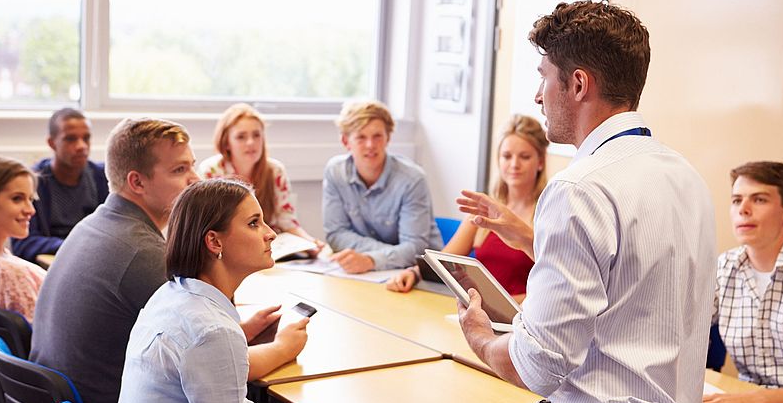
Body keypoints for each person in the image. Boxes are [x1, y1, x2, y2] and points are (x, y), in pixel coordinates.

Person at [369, 0, 716, 403]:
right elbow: (627, 277)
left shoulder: (579, 187)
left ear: (577, 85)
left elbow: (538, 365)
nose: (537, 94)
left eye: (543, 77)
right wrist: (533, 240)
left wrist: (484, 339)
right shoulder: (685, 178)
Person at [30, 118, 307, 403]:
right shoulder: (142, 254)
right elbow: (220, 371)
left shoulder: (95, 225)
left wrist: (240, 332)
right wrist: (282, 348)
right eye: (179, 170)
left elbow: (184, 346)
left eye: (191, 165)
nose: (195, 179)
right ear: (137, 182)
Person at [110, 178, 355, 403]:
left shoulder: (170, 296)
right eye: (254, 223)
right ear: (214, 241)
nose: (271, 233)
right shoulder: (215, 333)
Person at [386, 114, 547, 298]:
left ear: (540, 162)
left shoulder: (548, 213)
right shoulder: (484, 209)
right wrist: (413, 273)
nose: (514, 165)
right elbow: (443, 262)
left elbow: (553, 284)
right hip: (479, 313)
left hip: (523, 317)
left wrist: (509, 305)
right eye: (507, 156)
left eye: (525, 157)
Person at [703, 161, 783, 403]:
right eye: (737, 200)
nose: (744, 210)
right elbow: (682, 331)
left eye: (759, 200)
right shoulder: (725, 266)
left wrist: (758, 400)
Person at [323, 100, 442, 274]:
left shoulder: (412, 179)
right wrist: (385, 255)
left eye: (377, 136)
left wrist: (372, 259)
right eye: (361, 137)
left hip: (420, 274)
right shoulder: (335, 172)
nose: (370, 145)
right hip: (374, 272)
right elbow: (336, 234)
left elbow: (415, 249)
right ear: (346, 141)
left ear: (388, 138)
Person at [198, 103, 323, 253]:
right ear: (226, 143)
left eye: (256, 135)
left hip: (270, 250)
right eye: (241, 137)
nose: (251, 142)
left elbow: (288, 222)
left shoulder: (275, 171)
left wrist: (309, 243)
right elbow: (207, 227)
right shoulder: (211, 171)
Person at [11, 108, 109, 262]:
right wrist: (71, 246)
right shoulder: (33, 182)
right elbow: (22, 243)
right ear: (52, 143)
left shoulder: (102, 177)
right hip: (53, 263)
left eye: (86, 138)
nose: (81, 146)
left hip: (93, 260)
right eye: (70, 139)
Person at [0, 156, 45, 322]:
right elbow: (40, 343)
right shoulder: (11, 275)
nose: (30, 210)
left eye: (30, 199)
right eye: (17, 198)